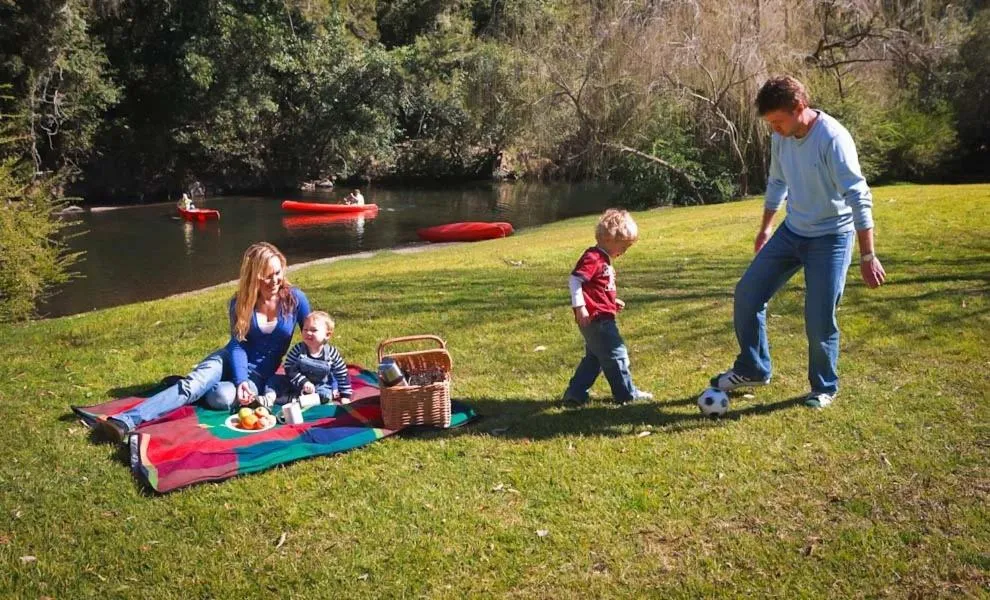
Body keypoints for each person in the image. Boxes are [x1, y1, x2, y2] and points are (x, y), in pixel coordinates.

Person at [710, 76, 886, 408]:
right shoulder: (783, 137)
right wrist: (765, 229)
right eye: (770, 123)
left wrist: (867, 255)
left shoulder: (832, 139)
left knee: (819, 316)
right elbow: (778, 181)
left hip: (832, 237)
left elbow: (859, 197)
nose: (774, 129)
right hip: (792, 232)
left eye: (778, 121)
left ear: (799, 108)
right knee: (747, 293)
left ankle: (824, 387)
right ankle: (753, 368)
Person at [94, 242, 311, 443]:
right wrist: (240, 379)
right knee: (191, 387)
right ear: (254, 276)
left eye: (278, 272)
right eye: (267, 275)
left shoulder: (295, 299)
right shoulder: (240, 302)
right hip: (229, 359)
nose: (275, 280)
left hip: (259, 375)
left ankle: (192, 384)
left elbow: (311, 337)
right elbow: (237, 345)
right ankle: (124, 421)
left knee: (222, 398)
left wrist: (320, 375)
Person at [561, 209, 654, 407]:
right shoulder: (593, 257)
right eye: (624, 246)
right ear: (610, 238)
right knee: (616, 353)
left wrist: (612, 301)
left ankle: (575, 393)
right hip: (596, 319)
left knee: (595, 357)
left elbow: (597, 287)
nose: (625, 251)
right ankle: (626, 394)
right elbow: (575, 280)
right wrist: (580, 307)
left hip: (600, 315)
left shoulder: (602, 258)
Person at [275, 311, 352, 405]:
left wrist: (345, 395)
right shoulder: (298, 349)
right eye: (305, 329)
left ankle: (295, 400)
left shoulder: (331, 353)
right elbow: (289, 367)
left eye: (313, 330)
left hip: (320, 386)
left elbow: (342, 374)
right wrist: (303, 382)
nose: (308, 333)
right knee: (274, 380)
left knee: (325, 395)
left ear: (327, 335)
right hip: (299, 384)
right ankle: (275, 396)